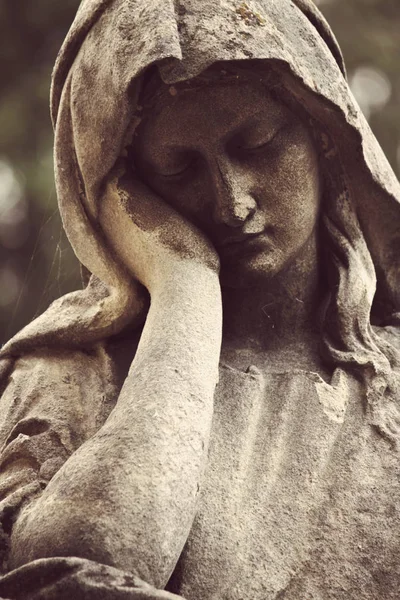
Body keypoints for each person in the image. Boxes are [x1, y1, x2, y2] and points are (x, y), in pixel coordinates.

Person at [0, 0, 400, 598]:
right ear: (123, 192)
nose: (231, 203)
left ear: (324, 134)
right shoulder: (66, 378)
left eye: (257, 144)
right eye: (177, 169)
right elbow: (80, 566)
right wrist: (184, 284)